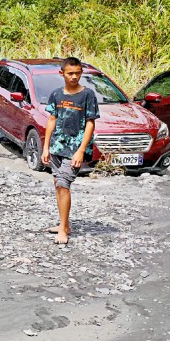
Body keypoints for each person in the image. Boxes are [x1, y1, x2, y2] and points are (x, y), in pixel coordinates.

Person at [41, 57, 100, 245]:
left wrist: (81, 150)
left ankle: (64, 230)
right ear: (62, 73)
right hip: (57, 146)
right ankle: (63, 225)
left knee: (63, 184)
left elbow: (90, 123)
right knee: (57, 184)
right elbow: (52, 120)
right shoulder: (57, 94)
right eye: (70, 73)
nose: (74, 77)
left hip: (75, 148)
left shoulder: (87, 95)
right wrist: (45, 147)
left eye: (78, 73)